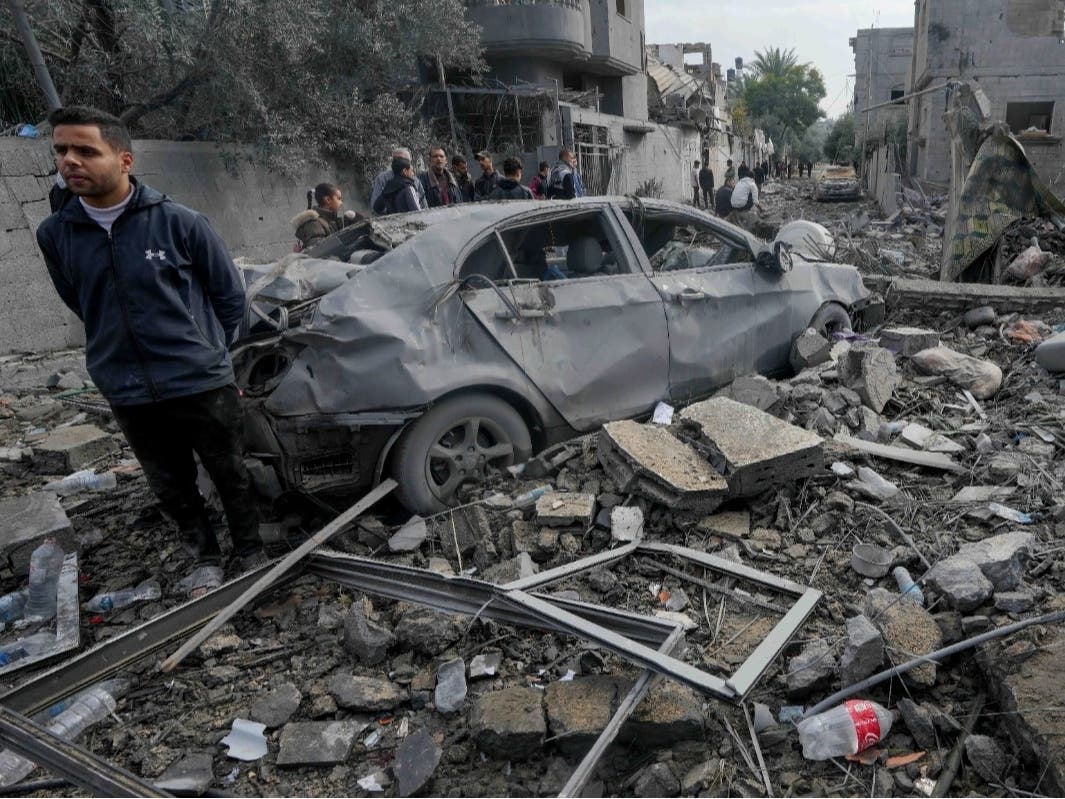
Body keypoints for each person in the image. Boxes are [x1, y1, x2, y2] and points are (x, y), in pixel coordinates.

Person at [35, 105, 265, 574]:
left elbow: (229, 297)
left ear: (124, 160)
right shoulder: (56, 235)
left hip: (199, 380)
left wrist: (206, 353)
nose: (69, 161)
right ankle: (204, 558)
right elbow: (82, 300)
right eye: (61, 150)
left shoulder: (179, 222)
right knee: (170, 483)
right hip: (126, 386)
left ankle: (250, 550)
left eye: (85, 150)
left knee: (229, 471)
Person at [291, 182, 346, 251]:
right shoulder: (314, 224)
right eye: (339, 199)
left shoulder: (330, 221)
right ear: (328, 200)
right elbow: (319, 252)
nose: (341, 203)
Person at [370, 147, 426, 214]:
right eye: (395, 160)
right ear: (404, 170)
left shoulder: (415, 181)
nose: (397, 162)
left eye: (401, 160)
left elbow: (424, 205)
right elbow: (417, 212)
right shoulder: (383, 179)